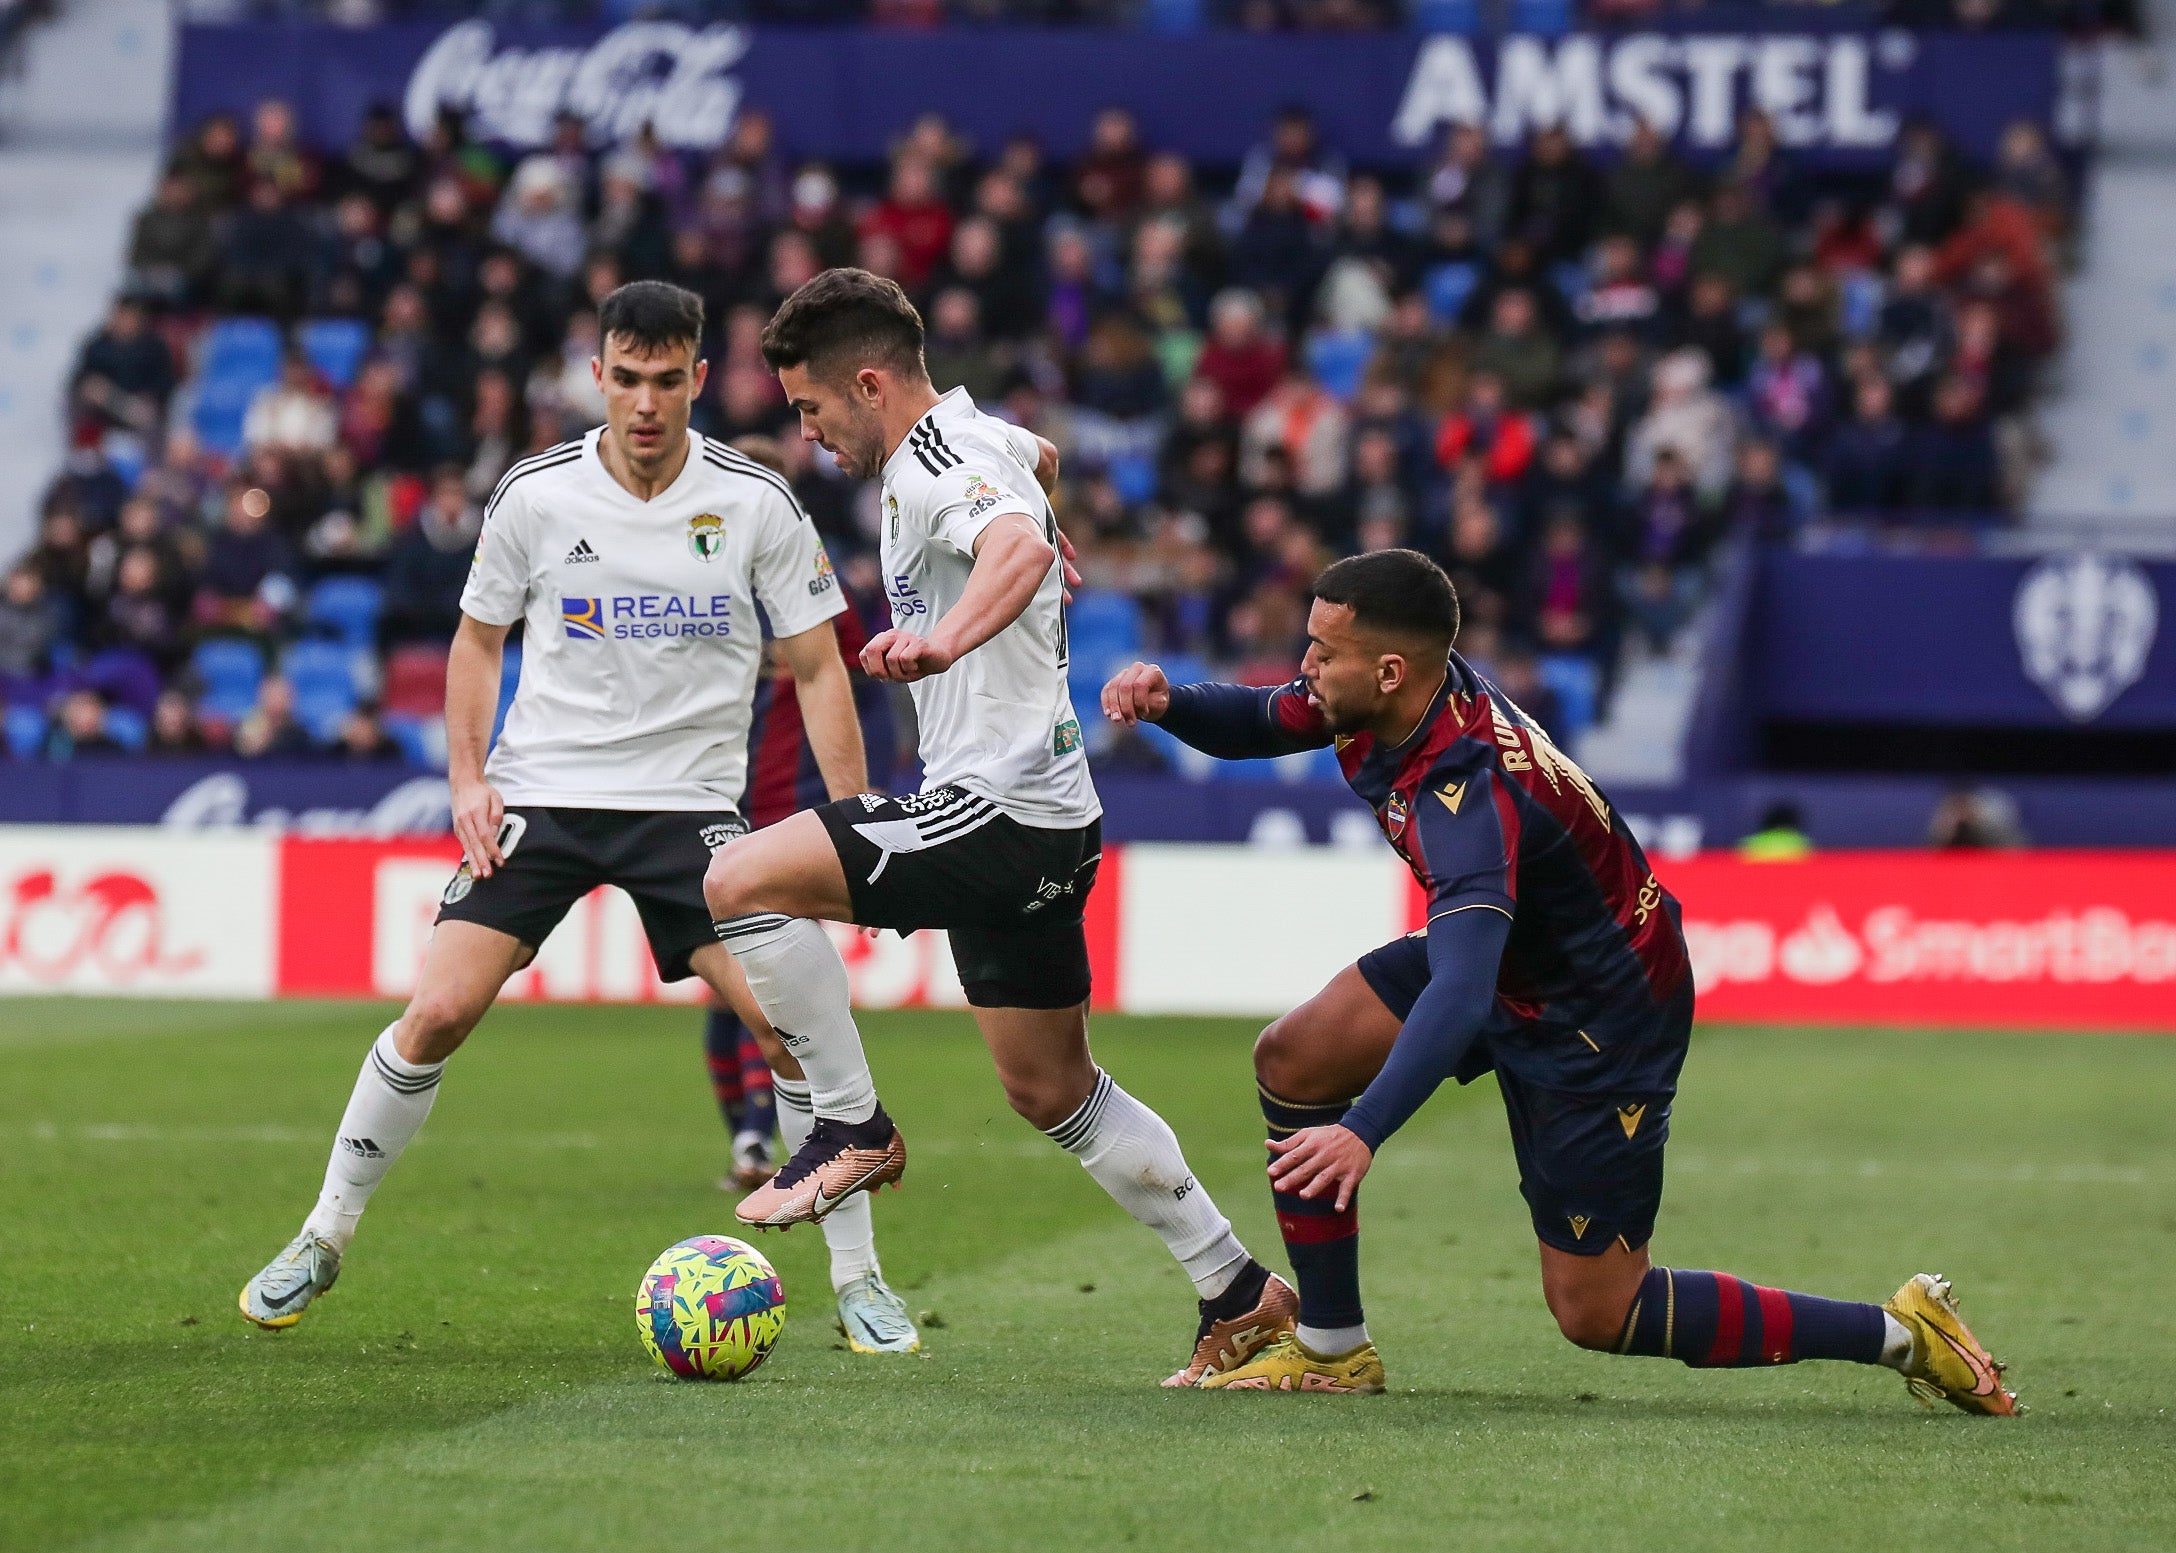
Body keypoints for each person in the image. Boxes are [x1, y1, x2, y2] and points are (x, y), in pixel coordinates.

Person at [1098, 549, 2016, 1415]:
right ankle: (1333, 1349)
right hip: (1518, 957)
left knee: (1597, 1309)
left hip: (1602, 1006)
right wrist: (1171, 701)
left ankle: (1903, 1334)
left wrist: (1365, 1129)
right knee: (1295, 1057)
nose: (1304, 666)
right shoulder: (1377, 698)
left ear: (1387, 671)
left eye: (1322, 651)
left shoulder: (1464, 788)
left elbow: (1457, 994)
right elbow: (1262, 718)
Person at [237, 281, 920, 1356]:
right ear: (597, 375)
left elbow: (819, 666)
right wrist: (469, 777)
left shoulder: (754, 500)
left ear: (698, 378)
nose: (645, 402)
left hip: (690, 811)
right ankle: (323, 1233)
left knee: (793, 1032)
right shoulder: (536, 494)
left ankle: (861, 1278)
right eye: (626, 378)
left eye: (667, 380)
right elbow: (475, 641)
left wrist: (847, 823)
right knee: (438, 1012)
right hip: (545, 794)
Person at [702, 267, 1295, 1389]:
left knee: (737, 880)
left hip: (992, 810)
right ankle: (1237, 1287)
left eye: (812, 408)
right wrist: (1037, 527)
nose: (809, 432)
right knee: (1050, 1088)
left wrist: (945, 638)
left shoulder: (935, 464)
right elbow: (1037, 474)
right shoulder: (981, 438)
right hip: (1055, 821)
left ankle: (849, 1125)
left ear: (869, 385)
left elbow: (1015, 549)